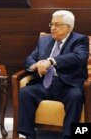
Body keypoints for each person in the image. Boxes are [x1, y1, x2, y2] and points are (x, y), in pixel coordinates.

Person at [17, 10, 89, 139]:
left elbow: (79, 57)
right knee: (25, 92)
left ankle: (68, 136)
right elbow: (30, 58)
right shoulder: (44, 41)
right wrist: (35, 65)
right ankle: (28, 135)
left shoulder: (79, 40)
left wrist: (51, 61)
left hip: (67, 85)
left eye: (57, 24)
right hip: (44, 84)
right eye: (51, 24)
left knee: (76, 96)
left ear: (68, 27)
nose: (52, 28)